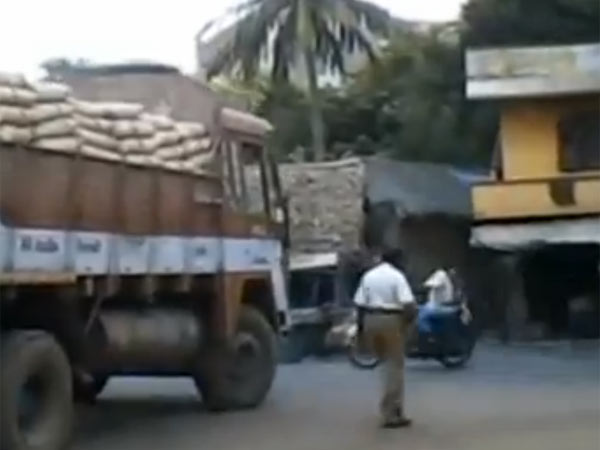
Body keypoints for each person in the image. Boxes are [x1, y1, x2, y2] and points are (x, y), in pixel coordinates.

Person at [353, 249, 416, 428]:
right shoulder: (397, 276)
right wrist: (408, 324)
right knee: (394, 367)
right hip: (390, 320)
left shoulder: (369, 276)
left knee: (385, 365)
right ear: (397, 260)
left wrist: (361, 330)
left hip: (370, 320)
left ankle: (395, 409)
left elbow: (359, 304)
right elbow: (408, 304)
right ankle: (391, 414)